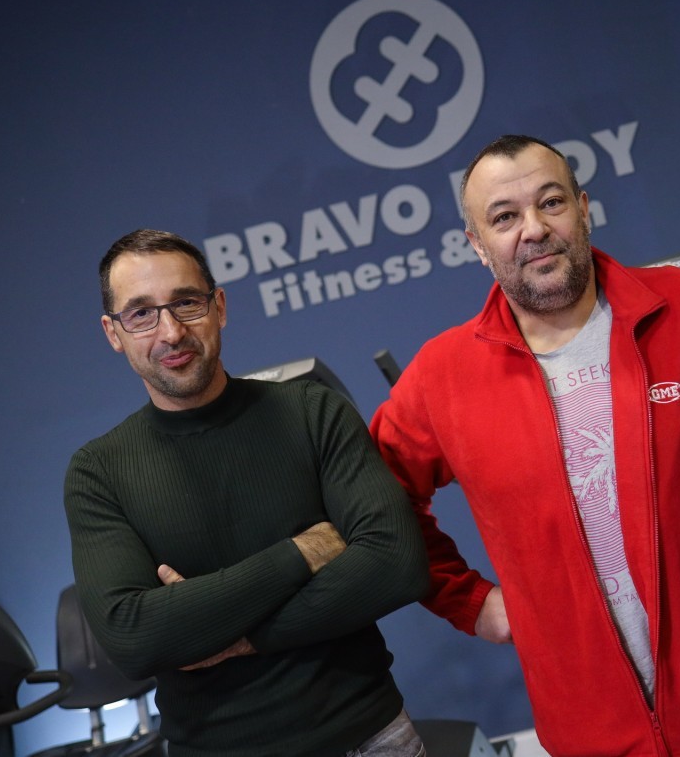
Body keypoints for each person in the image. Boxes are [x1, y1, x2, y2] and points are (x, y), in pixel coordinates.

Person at [370, 135, 680, 756]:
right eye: (504, 217)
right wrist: (469, 601)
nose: (534, 229)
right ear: (477, 244)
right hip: (591, 738)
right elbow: (376, 505)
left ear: (583, 210)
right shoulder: (442, 376)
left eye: (551, 202)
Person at [64, 229, 430, 757]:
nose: (170, 331)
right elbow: (136, 637)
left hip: (371, 737)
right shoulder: (98, 472)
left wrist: (232, 633)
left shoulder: (312, 411)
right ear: (113, 333)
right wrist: (302, 552)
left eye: (186, 303)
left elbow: (397, 564)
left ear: (219, 307)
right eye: (141, 314)